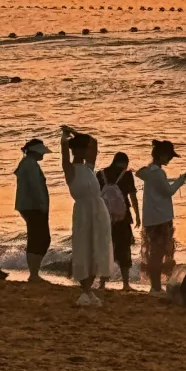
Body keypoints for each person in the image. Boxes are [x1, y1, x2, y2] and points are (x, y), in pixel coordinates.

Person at [60, 127, 111, 306]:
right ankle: (85, 290)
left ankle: (89, 289)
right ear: (75, 150)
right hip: (83, 211)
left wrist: (75, 132)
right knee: (83, 247)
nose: (83, 152)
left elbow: (94, 143)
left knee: (97, 248)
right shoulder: (71, 169)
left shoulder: (88, 168)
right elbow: (65, 156)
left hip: (98, 210)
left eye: (84, 148)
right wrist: (65, 139)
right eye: (79, 149)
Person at [137, 140, 186, 293]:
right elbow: (169, 191)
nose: (170, 160)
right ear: (162, 155)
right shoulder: (159, 173)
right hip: (161, 218)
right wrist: (181, 180)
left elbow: (139, 172)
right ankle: (156, 286)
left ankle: (155, 285)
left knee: (153, 252)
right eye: (169, 157)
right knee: (159, 253)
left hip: (150, 217)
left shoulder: (149, 172)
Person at [97, 151, 140, 291]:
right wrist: (138, 215)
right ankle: (126, 284)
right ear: (125, 163)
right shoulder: (127, 174)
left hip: (105, 216)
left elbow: (97, 196)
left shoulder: (100, 174)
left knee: (106, 248)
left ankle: (102, 283)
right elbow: (132, 196)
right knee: (124, 248)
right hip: (123, 217)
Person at [14, 137, 50, 281]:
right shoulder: (30, 164)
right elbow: (35, 187)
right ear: (36, 152)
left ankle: (34, 272)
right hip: (34, 206)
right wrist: (42, 204)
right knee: (41, 238)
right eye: (42, 152)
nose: (43, 155)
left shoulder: (26, 163)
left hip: (28, 206)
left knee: (36, 238)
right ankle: (34, 273)